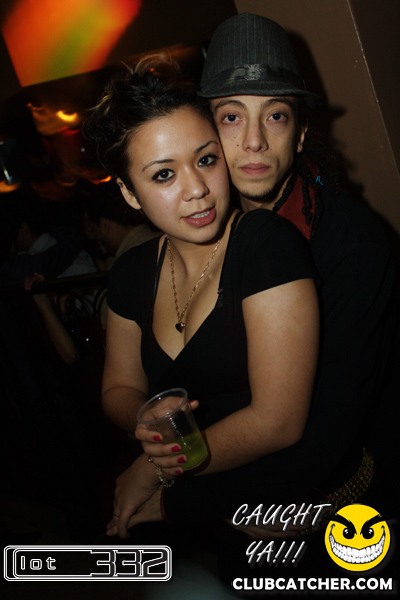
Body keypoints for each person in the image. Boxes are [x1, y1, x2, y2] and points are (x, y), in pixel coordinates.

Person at [122, 14, 399, 584]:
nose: (253, 141)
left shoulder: (350, 247)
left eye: (275, 115)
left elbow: (319, 439)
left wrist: (166, 484)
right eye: (231, 116)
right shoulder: (203, 237)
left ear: (301, 133)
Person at [83, 58, 320, 548]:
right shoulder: (131, 272)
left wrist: (158, 465)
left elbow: (279, 422)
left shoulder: (264, 244)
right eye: (163, 175)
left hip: (288, 507)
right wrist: (149, 420)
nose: (196, 189)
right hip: (207, 517)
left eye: (206, 160)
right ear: (129, 192)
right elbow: (119, 388)